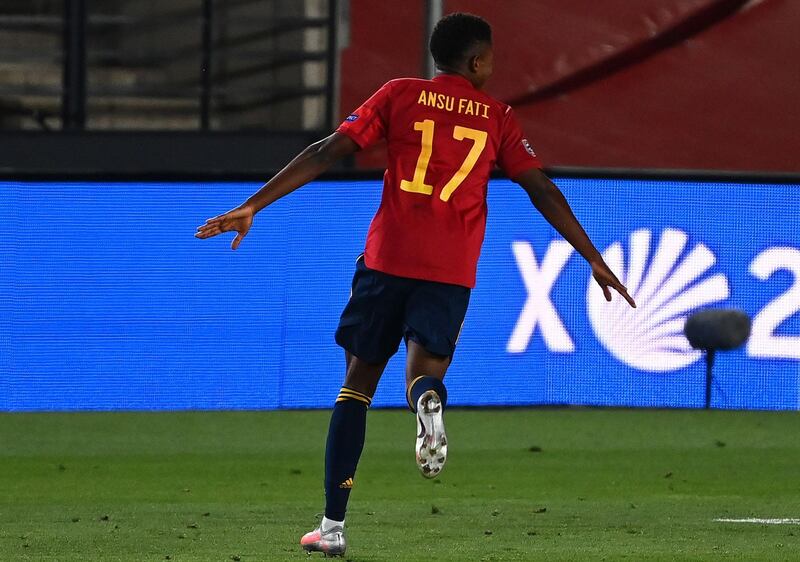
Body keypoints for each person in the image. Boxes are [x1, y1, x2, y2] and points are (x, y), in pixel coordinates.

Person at [195, 12, 636, 557]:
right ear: (477, 62)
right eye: (491, 58)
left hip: (387, 260)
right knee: (422, 374)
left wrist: (254, 203)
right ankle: (427, 400)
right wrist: (591, 256)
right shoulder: (498, 117)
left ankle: (332, 528)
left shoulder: (399, 94)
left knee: (356, 387)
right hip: (449, 270)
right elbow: (539, 187)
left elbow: (327, 150)